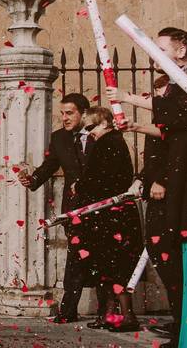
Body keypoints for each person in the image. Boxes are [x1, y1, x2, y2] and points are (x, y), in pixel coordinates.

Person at [110, 27, 187, 347]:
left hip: (184, 183)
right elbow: (172, 131)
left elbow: (183, 117)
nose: (154, 54)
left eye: (160, 48)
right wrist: (137, 125)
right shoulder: (174, 85)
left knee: (176, 253)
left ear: (182, 49)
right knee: (166, 252)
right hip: (175, 180)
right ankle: (183, 323)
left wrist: (130, 98)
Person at [20, 92, 94, 323]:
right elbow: (50, 165)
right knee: (75, 259)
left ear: (84, 114)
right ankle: (68, 310)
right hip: (73, 208)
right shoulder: (60, 138)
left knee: (102, 259)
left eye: (69, 113)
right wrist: (32, 180)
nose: (64, 118)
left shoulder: (98, 135)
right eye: (62, 113)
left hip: (99, 206)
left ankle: (109, 311)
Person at [70, 106, 142, 332]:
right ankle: (109, 313)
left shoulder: (109, 143)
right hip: (110, 214)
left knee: (115, 264)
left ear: (104, 123)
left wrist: (79, 186)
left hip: (112, 214)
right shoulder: (110, 142)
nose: (88, 133)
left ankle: (125, 315)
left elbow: (102, 178)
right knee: (107, 265)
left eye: (91, 127)